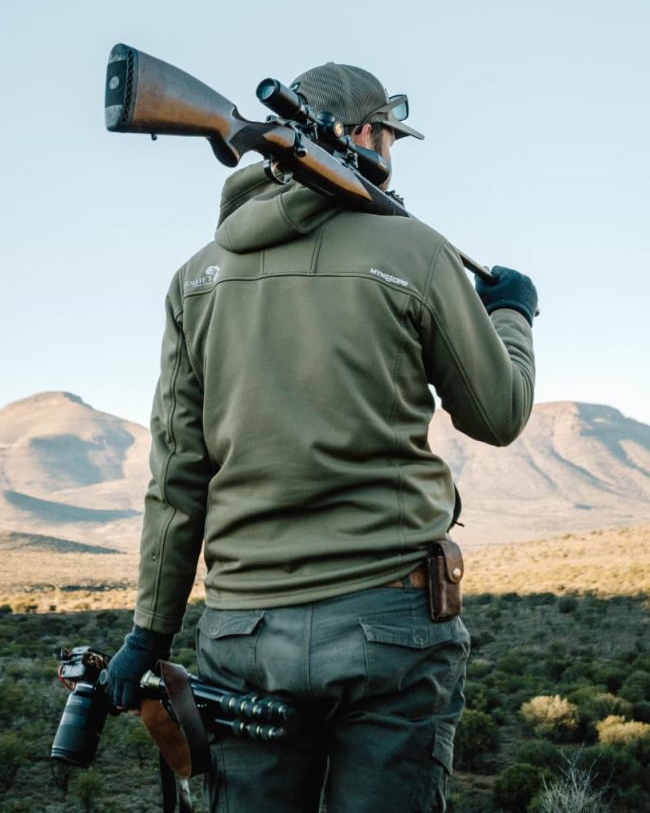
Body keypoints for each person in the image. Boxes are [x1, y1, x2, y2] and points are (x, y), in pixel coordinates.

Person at [108, 61, 537, 812]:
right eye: (390, 138)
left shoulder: (196, 279)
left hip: (242, 634)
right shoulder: (416, 251)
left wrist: (150, 632)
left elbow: (177, 477)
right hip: (389, 625)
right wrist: (512, 316)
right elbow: (498, 415)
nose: (391, 154)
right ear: (364, 134)